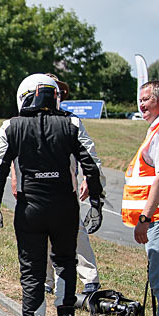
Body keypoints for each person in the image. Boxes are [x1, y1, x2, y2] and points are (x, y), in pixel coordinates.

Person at [0, 73, 104, 316]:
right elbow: (92, 164)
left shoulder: (10, 126)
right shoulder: (72, 123)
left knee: (32, 271)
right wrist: (97, 204)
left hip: (29, 209)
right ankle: (65, 311)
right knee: (64, 261)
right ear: (55, 96)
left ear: (24, 95)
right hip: (65, 206)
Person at [10, 74, 105, 299]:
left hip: (64, 182)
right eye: (56, 90)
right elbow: (15, 154)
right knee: (40, 232)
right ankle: (45, 281)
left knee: (75, 230)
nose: (59, 95)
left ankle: (89, 279)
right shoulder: (24, 119)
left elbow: (89, 155)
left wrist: (88, 181)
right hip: (34, 184)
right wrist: (15, 177)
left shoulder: (69, 120)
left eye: (61, 92)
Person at [124, 80, 159, 316]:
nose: (142, 104)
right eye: (141, 99)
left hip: (157, 219)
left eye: (147, 99)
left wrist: (145, 219)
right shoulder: (154, 130)